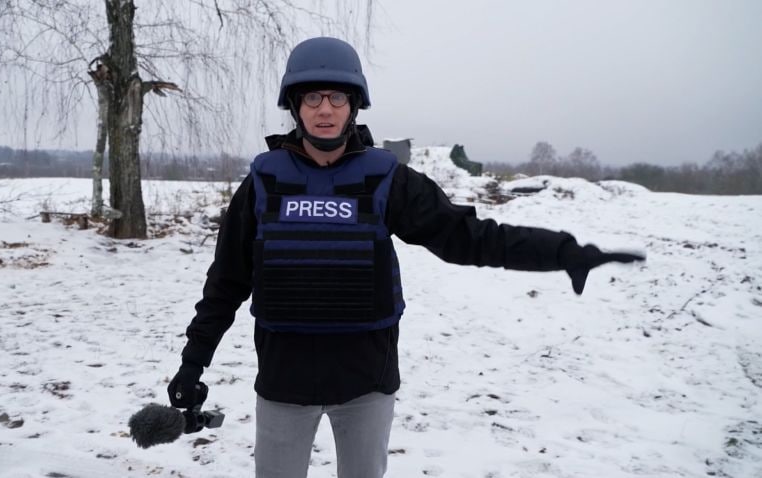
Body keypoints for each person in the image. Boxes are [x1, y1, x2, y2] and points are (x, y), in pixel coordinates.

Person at [168, 36, 644, 478]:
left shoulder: (388, 179)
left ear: (354, 105)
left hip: (366, 383)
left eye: (337, 97)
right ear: (294, 105)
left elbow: (469, 237)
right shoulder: (262, 183)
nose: (325, 108)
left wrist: (562, 253)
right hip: (282, 382)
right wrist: (193, 363)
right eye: (312, 97)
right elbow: (226, 282)